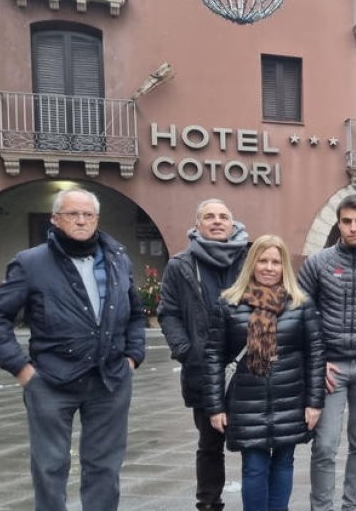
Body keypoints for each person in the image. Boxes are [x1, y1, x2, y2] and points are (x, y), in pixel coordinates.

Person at [0, 188, 146, 511]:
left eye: (88, 215)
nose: (82, 220)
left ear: (97, 219)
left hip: (109, 380)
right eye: (73, 214)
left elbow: (136, 313)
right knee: (50, 467)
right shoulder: (30, 263)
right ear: (56, 219)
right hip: (50, 382)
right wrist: (21, 368)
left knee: (105, 468)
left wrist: (133, 356)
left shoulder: (118, 259)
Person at [204, 235, 325, 511]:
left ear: (284, 266)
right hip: (248, 400)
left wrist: (314, 402)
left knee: (284, 463)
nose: (269, 267)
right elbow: (212, 357)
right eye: (263, 260)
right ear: (252, 264)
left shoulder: (300, 303)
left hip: (290, 397)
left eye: (275, 261)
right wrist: (215, 406)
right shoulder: (229, 304)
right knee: (255, 467)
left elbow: (315, 354)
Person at [299, 194, 356, 511]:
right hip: (330, 368)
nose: (353, 227)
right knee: (324, 445)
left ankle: (352, 506)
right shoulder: (317, 263)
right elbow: (301, 314)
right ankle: (321, 507)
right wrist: (315, 362)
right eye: (347, 221)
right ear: (338, 223)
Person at [159, 198, 250, 511]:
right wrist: (186, 350)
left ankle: (259, 501)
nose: (216, 221)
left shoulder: (250, 258)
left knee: (255, 440)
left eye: (223, 216)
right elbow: (168, 313)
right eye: (209, 216)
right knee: (210, 443)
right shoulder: (180, 265)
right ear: (197, 225)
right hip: (203, 366)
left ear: (232, 223)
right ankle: (209, 503)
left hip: (248, 367)